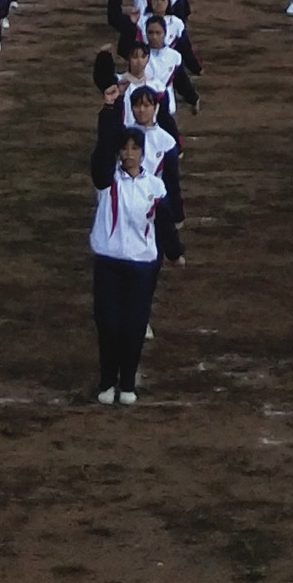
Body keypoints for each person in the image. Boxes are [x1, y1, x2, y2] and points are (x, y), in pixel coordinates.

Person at [90, 126, 181, 404]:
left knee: (134, 325)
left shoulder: (154, 186)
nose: (129, 154)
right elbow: (99, 158)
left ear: (143, 153)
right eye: (125, 148)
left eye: (135, 148)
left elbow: (164, 223)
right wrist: (109, 110)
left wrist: (176, 252)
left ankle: (127, 382)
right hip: (108, 262)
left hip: (141, 266)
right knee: (109, 323)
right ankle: (107, 381)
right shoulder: (107, 182)